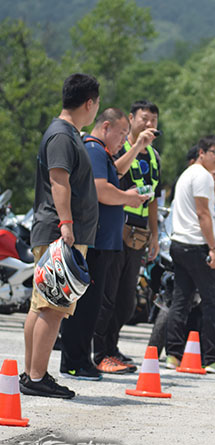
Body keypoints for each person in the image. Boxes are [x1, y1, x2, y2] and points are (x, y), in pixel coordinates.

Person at [21, 73, 100, 399]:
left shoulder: (68, 134)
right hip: (59, 231)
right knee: (53, 308)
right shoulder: (62, 136)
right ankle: (37, 376)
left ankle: (31, 373)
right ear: (89, 103)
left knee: (42, 306)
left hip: (59, 229)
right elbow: (59, 181)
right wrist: (66, 224)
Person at [59, 108, 152, 380]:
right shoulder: (95, 150)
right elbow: (101, 189)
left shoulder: (103, 153)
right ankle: (76, 361)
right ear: (106, 127)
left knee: (96, 304)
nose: (124, 139)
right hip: (97, 240)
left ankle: (81, 359)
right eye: (122, 133)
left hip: (105, 240)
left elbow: (116, 169)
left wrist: (136, 146)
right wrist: (127, 197)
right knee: (88, 306)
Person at [94, 100, 162, 371]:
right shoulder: (121, 147)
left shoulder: (155, 156)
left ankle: (112, 347)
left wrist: (155, 235)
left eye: (154, 120)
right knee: (107, 296)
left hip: (140, 232)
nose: (149, 125)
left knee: (126, 300)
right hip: (116, 229)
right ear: (132, 119)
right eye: (144, 119)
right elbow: (114, 175)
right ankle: (100, 353)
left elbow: (153, 198)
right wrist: (136, 147)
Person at [164, 134, 215, 374]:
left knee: (180, 301)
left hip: (179, 243)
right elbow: (204, 214)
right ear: (201, 152)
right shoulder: (202, 176)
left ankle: (173, 354)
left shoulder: (188, 173)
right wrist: (213, 249)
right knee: (212, 303)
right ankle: (213, 358)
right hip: (196, 245)